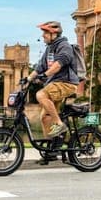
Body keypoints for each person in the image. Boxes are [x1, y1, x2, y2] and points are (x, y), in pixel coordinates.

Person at [24, 21, 80, 162]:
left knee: (40, 94)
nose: (43, 36)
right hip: (55, 84)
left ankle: (60, 125)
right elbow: (40, 66)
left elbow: (58, 64)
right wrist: (28, 79)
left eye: (45, 33)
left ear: (54, 33)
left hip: (66, 83)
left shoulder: (64, 46)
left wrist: (46, 74)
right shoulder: (49, 49)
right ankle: (53, 148)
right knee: (45, 117)